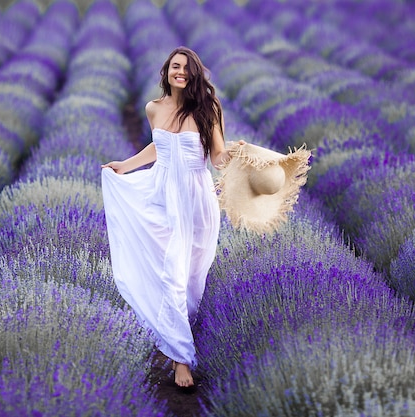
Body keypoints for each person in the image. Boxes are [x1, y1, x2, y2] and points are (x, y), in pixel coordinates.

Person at [101, 46, 243, 388]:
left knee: (193, 280)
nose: (180, 72)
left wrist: (240, 157)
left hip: (197, 199)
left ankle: (176, 333)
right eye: (175, 66)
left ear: (194, 75)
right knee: (173, 275)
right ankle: (182, 360)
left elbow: (218, 155)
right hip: (162, 196)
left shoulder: (208, 108)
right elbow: (158, 146)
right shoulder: (154, 108)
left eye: (186, 68)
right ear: (166, 72)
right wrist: (126, 165)